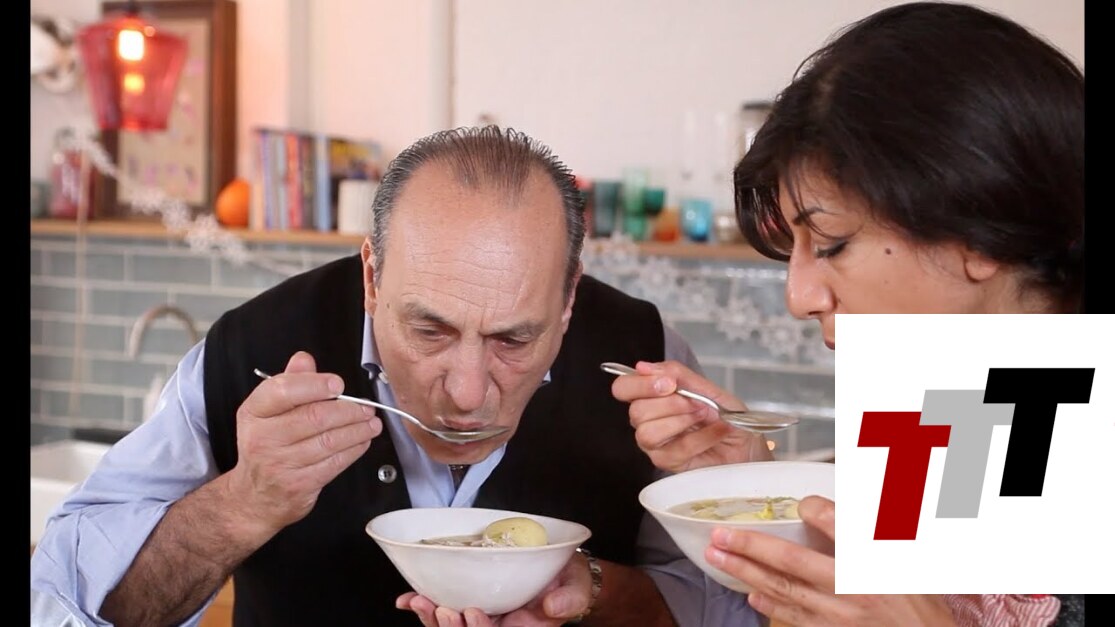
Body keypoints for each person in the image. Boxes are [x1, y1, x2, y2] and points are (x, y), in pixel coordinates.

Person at [29, 126, 771, 626]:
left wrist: (597, 589)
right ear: (373, 277)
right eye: (429, 330)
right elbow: (61, 600)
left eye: (514, 338)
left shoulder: (644, 356)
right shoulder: (250, 348)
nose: (468, 394)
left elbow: (723, 611)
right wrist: (241, 504)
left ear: (569, 295)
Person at [611, 2, 1084, 626]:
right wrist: (755, 488)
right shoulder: (943, 398)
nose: (799, 297)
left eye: (832, 243)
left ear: (980, 234)